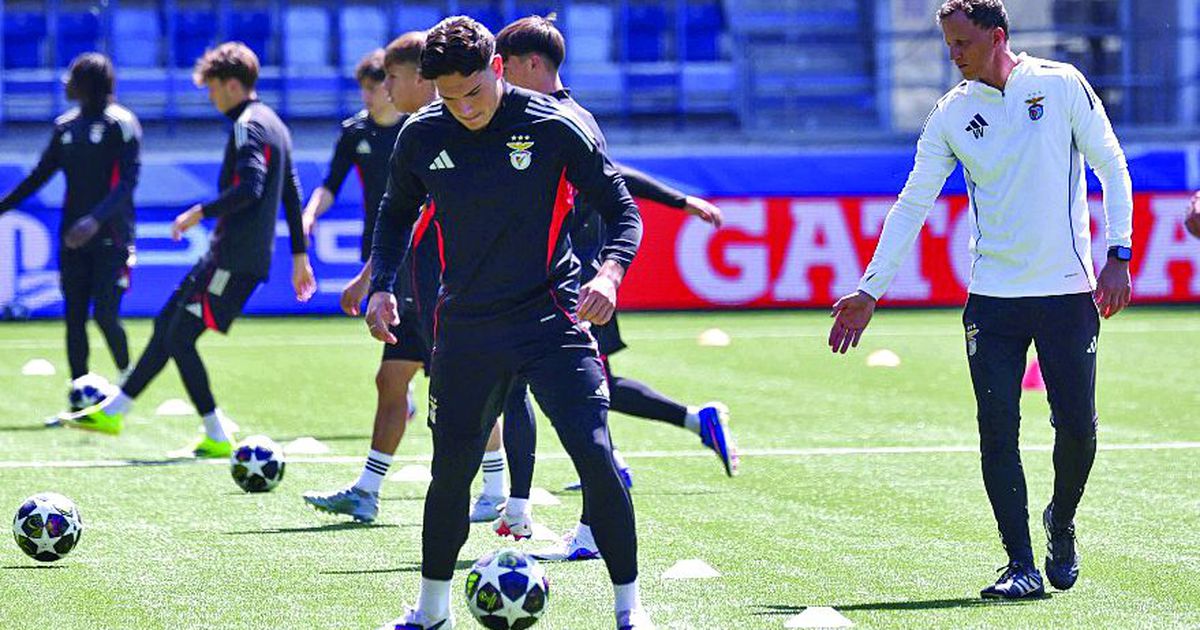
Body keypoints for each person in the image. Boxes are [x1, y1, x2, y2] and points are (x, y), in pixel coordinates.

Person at [829, 0, 1133, 599]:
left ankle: (1061, 523)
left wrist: (1118, 255)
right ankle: (1019, 563)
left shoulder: (1060, 84)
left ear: (997, 37)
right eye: (947, 44)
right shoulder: (950, 114)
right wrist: (870, 288)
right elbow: (913, 201)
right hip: (992, 300)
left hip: (1066, 293)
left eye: (962, 43)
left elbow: (1111, 165)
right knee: (998, 431)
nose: (953, 55)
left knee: (1077, 428)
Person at [368, 17, 653, 630]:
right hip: (466, 330)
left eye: (473, 91)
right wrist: (382, 287)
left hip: (552, 320)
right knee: (451, 472)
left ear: (497, 67)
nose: (464, 108)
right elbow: (394, 218)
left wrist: (609, 274)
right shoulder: (420, 136)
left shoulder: (553, 127)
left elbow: (621, 209)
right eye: (448, 97)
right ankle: (432, 610)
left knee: (596, 457)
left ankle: (631, 609)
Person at [484, 14, 738, 563]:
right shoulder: (558, 117)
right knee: (558, 392)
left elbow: (613, 190)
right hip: (557, 281)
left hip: (573, 283)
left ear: (530, 65)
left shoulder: (560, 120)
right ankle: (537, 508)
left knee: (581, 401)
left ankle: (586, 524)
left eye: (503, 68)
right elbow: (617, 177)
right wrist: (680, 200)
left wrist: (606, 268)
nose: (497, 81)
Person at [62, 42, 316, 458]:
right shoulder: (274, 123)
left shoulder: (246, 125)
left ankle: (216, 432)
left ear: (233, 84)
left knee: (180, 338)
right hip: (229, 256)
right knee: (167, 323)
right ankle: (116, 410)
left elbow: (252, 187)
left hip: (234, 258)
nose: (211, 96)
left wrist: (199, 212)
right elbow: (290, 190)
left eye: (213, 88)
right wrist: (299, 255)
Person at [301, 37, 434, 523]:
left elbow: (420, 211)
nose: (370, 96)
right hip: (388, 258)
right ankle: (368, 490)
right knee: (392, 377)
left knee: (456, 387)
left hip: (421, 265)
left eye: (381, 84)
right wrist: (310, 215)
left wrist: (371, 276)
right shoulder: (355, 132)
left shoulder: (421, 130)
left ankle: (503, 492)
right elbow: (331, 183)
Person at [0, 52, 139, 406]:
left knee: (106, 315)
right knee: (74, 318)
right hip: (72, 238)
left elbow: (127, 183)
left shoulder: (121, 124)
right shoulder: (65, 128)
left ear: (89, 83)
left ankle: (129, 387)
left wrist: (95, 220)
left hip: (112, 236)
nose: (65, 82)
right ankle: (79, 396)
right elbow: (38, 177)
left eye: (72, 76)